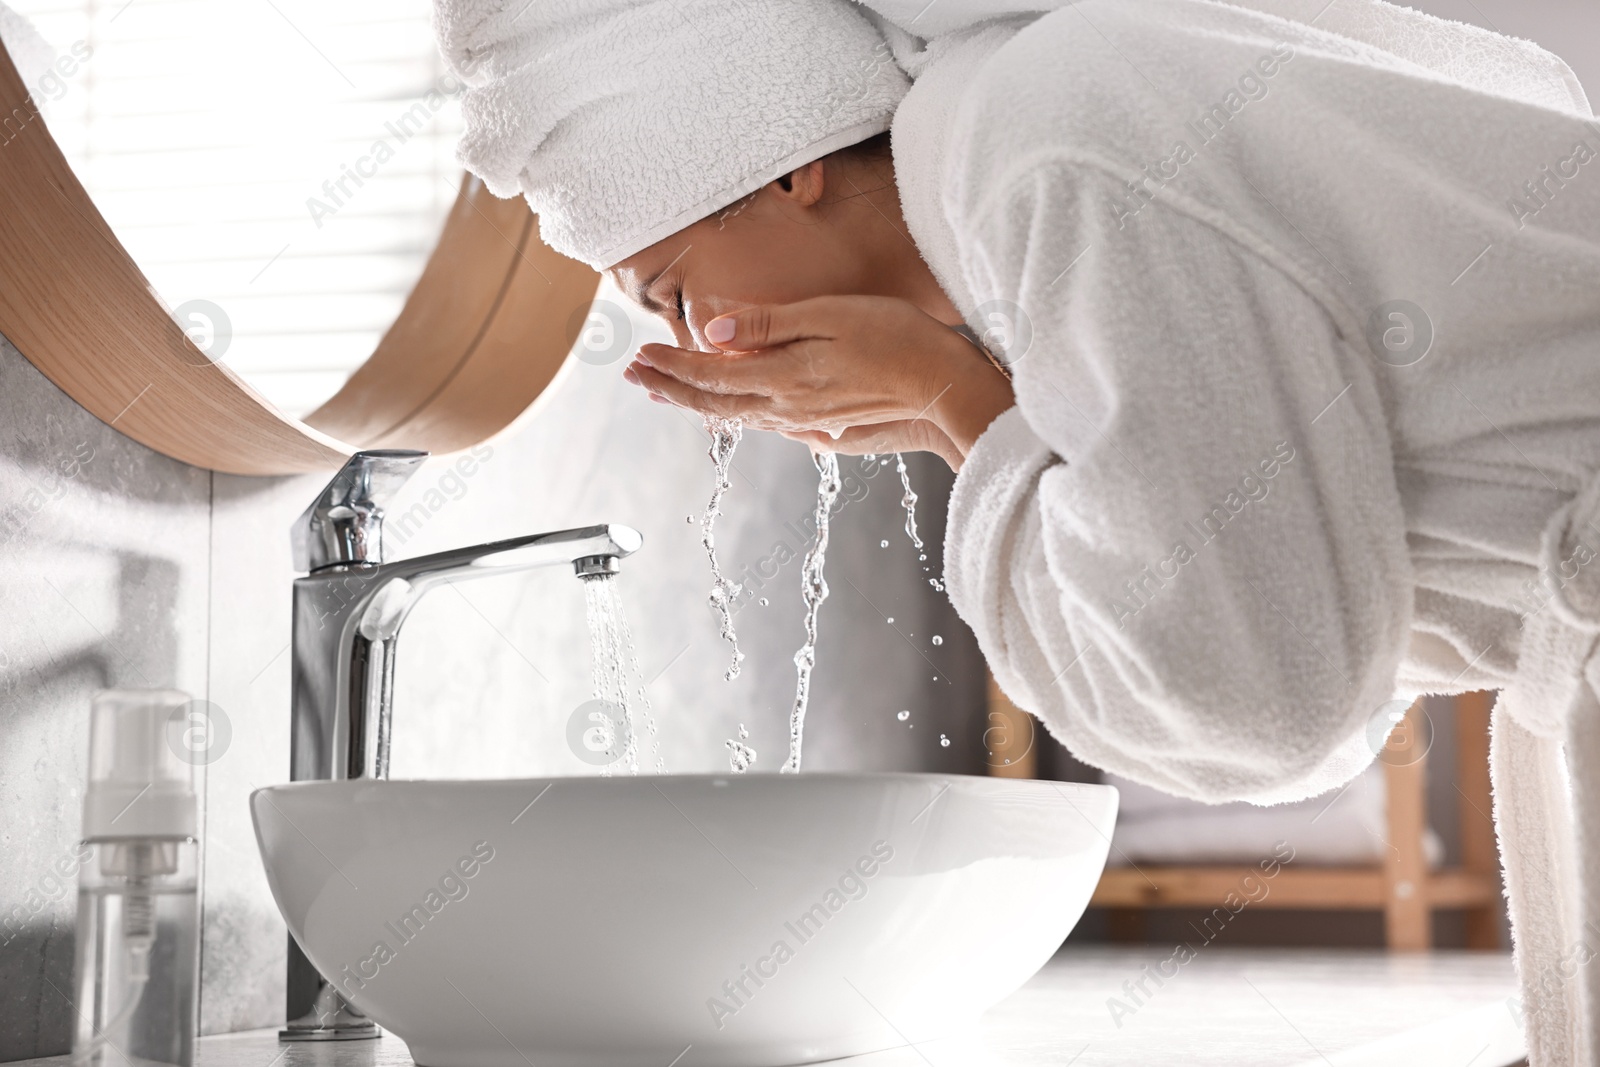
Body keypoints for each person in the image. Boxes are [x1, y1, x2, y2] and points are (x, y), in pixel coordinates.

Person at [433, 0, 1600, 1059]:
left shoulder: (1045, 140)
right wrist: (964, 414)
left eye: (676, 295)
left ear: (777, 165)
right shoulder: (1019, 160)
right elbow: (1302, 626)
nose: (702, 350)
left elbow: (1252, 697)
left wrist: (962, 411)